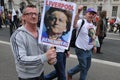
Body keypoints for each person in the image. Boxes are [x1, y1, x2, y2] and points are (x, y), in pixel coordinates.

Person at [10, 4, 57, 80]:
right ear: (23, 17)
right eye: (30, 14)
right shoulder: (17, 36)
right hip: (27, 77)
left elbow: (47, 48)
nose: (34, 16)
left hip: (41, 73)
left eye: (35, 14)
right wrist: (45, 57)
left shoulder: (42, 32)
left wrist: (52, 58)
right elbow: (21, 60)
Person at [67, 6, 97, 80]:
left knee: (87, 66)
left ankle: (81, 77)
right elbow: (74, 24)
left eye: (93, 14)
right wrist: (78, 12)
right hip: (81, 49)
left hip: (88, 50)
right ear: (86, 14)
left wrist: (95, 46)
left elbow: (92, 36)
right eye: (90, 13)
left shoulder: (93, 25)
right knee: (83, 66)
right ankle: (70, 72)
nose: (91, 15)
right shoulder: (82, 22)